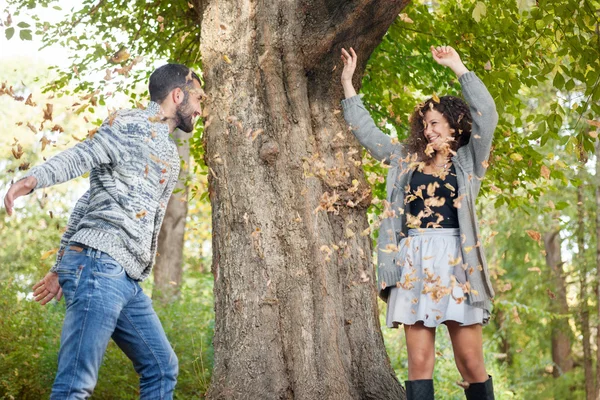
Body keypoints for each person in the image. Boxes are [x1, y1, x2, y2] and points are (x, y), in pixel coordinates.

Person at [3, 63, 204, 399]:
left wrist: (60, 266)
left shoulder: (169, 151)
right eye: (198, 98)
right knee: (75, 385)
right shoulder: (128, 123)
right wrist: (30, 180)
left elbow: (88, 201)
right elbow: (83, 154)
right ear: (177, 94)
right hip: (100, 265)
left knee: (162, 367)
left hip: (123, 276)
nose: (200, 108)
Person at [340, 46, 498, 400]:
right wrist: (348, 85)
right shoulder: (405, 160)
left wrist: (458, 66)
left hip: (459, 263)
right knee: (419, 363)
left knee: (471, 363)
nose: (427, 131)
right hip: (413, 261)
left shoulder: (470, 160)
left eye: (435, 123)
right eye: (424, 125)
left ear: (454, 125)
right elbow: (369, 134)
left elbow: (487, 114)